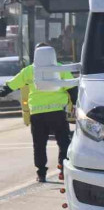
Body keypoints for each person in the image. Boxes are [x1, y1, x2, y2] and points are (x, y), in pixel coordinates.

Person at [0, 43, 75, 182]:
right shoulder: (60, 69)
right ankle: (63, 169)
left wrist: (3, 92)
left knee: (39, 145)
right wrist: (75, 104)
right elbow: (72, 88)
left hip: (37, 114)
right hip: (57, 112)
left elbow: (10, 86)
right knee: (64, 142)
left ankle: (41, 173)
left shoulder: (29, 70)